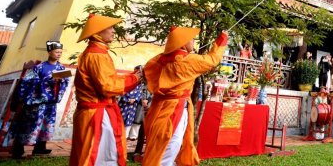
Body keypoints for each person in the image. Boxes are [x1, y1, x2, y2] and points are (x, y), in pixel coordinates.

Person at [141, 26, 228, 166]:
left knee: (158, 143)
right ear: (183, 43)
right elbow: (213, 59)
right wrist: (222, 38)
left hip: (157, 108)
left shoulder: (157, 59)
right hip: (175, 108)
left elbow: (145, 71)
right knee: (171, 144)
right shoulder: (189, 60)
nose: (193, 42)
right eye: (191, 39)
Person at [69, 14, 143, 166]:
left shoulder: (96, 53)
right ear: (97, 33)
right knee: (98, 155)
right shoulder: (97, 55)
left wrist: (133, 76)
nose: (114, 31)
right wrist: (135, 79)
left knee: (95, 153)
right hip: (97, 115)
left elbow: (109, 80)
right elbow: (107, 86)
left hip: (96, 111)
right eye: (109, 27)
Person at [5, 41, 70, 158]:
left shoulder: (61, 68)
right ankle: (18, 149)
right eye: (57, 52)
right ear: (49, 52)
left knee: (46, 125)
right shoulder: (39, 67)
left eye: (60, 52)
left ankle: (40, 148)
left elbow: (65, 82)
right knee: (29, 124)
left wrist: (61, 81)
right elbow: (26, 81)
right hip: (37, 103)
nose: (59, 54)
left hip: (51, 103)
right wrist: (47, 81)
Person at [119, 67, 143, 141]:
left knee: (130, 120)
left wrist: (134, 100)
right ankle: (119, 135)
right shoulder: (128, 79)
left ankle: (125, 136)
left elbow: (139, 94)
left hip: (133, 105)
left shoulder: (140, 85)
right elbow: (122, 89)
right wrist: (127, 99)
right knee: (121, 119)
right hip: (124, 104)